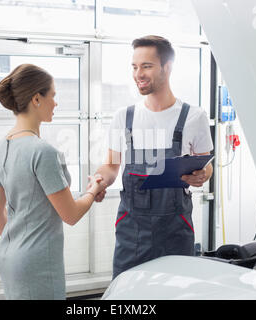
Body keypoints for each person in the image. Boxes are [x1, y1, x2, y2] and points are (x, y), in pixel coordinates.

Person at [91, 35, 214, 279]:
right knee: (127, 294)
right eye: (135, 67)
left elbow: (206, 166)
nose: (139, 74)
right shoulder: (123, 117)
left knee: (178, 292)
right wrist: (99, 180)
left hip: (176, 231)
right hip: (132, 232)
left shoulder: (194, 116)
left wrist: (202, 175)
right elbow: (111, 165)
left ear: (167, 68)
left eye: (146, 66)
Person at [0, 64, 106, 299]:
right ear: (36, 99)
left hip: (7, 257)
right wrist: (93, 190)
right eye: (53, 95)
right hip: (37, 263)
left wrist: (16, 247)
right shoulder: (43, 152)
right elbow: (70, 215)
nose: (56, 102)